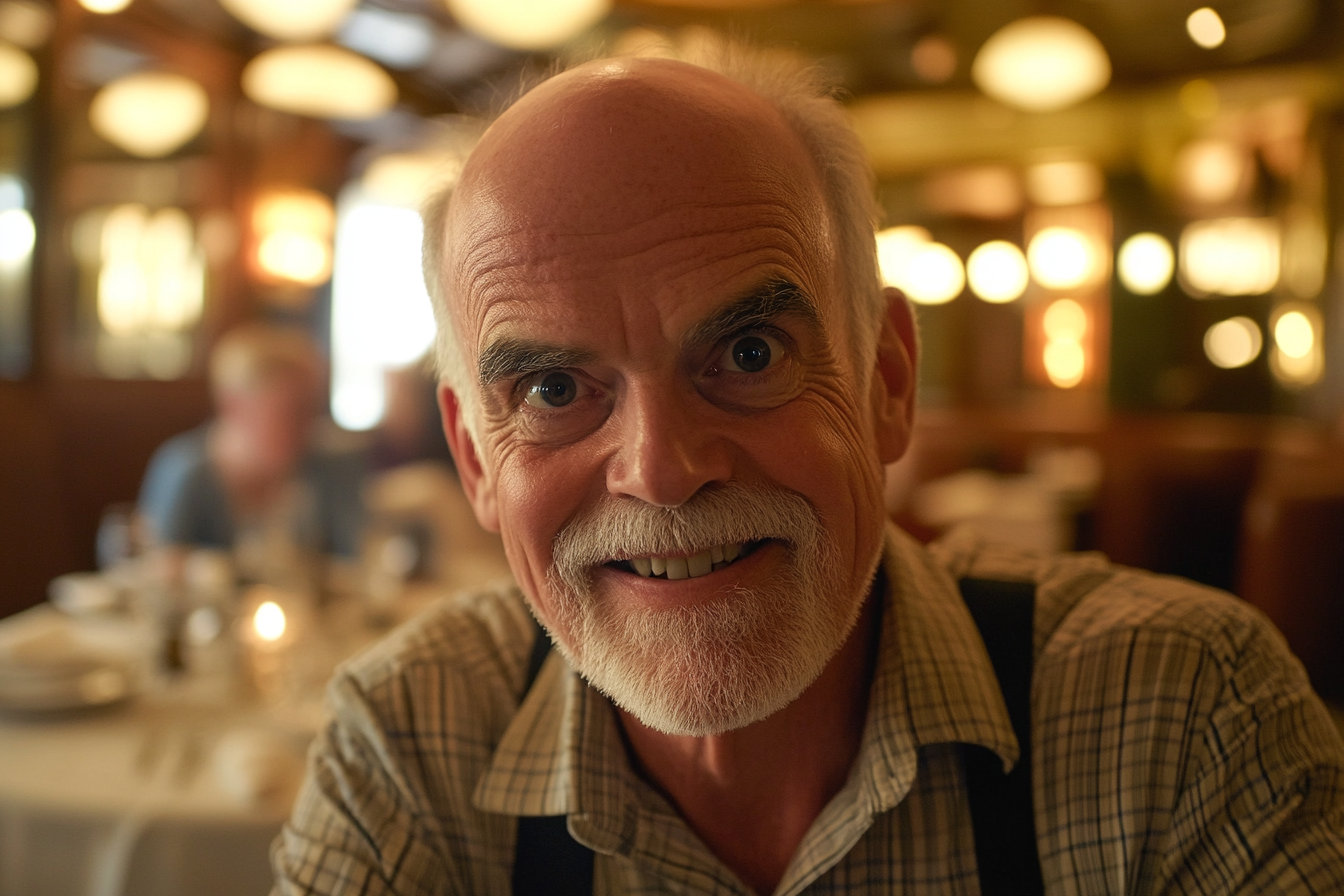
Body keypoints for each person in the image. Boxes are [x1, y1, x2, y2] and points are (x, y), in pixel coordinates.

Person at [271, 48, 1344, 895]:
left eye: (746, 354)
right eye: (553, 390)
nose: (662, 470)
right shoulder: (407, 741)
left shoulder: (1184, 715)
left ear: (885, 377)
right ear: (473, 456)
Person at [138, 321, 366, 578]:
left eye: (310, 408)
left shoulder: (332, 465)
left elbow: (356, 562)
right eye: (287, 413)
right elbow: (162, 575)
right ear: (232, 406)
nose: (306, 426)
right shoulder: (185, 471)